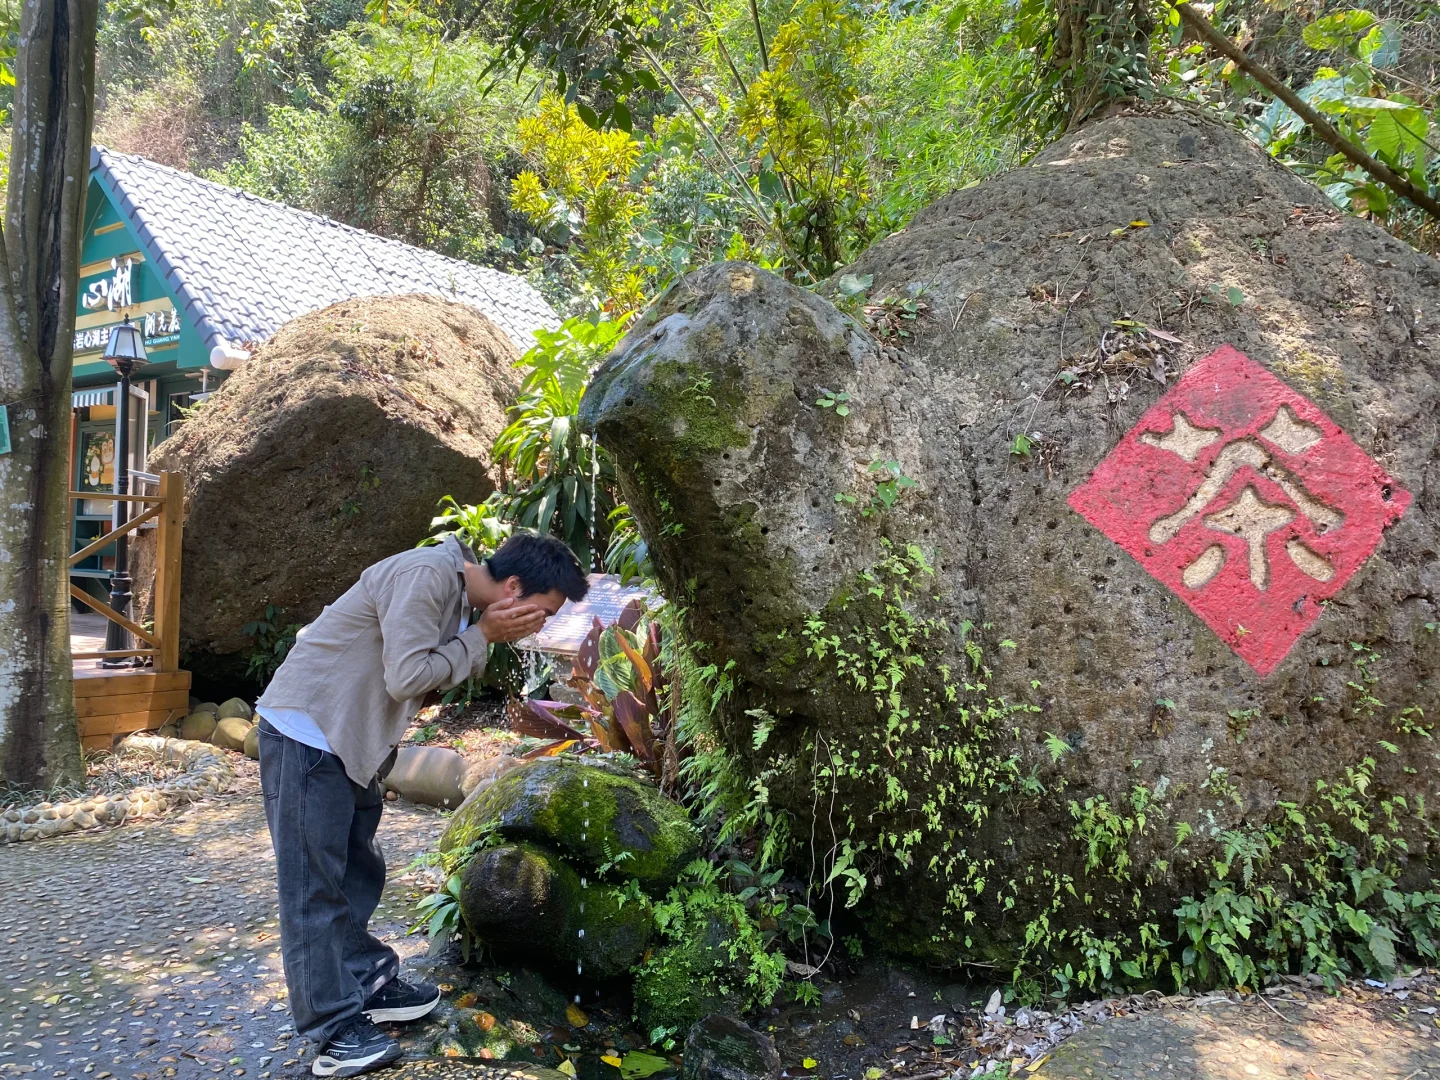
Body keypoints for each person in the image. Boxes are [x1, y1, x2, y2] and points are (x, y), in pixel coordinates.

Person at [255, 532, 589, 1077]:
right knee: (313, 886)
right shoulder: (427, 575)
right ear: (511, 587)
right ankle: (332, 1027)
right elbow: (406, 675)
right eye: (542, 611)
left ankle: (365, 976)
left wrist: (477, 634)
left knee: (357, 870)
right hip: (308, 735)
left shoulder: (459, 596)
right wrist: (482, 634)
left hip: (353, 742)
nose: (542, 625)